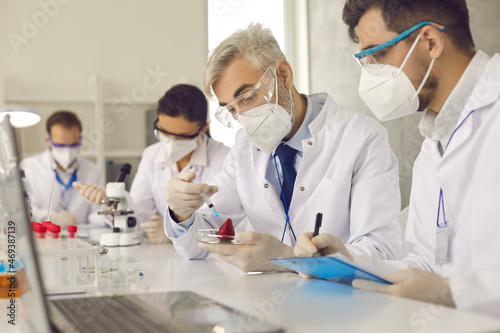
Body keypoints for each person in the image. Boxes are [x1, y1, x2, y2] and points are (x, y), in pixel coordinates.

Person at [294, 0, 500, 317]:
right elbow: (424, 265)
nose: (372, 76)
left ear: (430, 42)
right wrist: (345, 263)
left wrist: (452, 293)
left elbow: (442, 286)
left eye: (379, 55)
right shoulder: (433, 145)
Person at [163, 23, 402, 272]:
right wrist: (181, 214)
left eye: (247, 98)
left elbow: (380, 251)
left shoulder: (362, 138)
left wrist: (288, 258)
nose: (243, 116)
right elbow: (200, 244)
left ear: (284, 75)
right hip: (270, 302)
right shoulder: (244, 149)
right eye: (232, 109)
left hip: (345, 301)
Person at [76, 84, 229, 243]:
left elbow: (222, 223)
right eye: (164, 132)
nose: (171, 142)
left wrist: (174, 232)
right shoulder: (152, 155)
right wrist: (112, 205)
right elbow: (139, 218)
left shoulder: (224, 158)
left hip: (214, 257)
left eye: (182, 137)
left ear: (203, 129)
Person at [21, 110, 104, 226]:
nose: (67, 151)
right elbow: (24, 210)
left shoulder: (93, 171)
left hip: (80, 238)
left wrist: (108, 208)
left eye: (73, 144)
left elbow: (97, 215)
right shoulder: (29, 167)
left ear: (80, 139)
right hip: (43, 236)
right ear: (48, 141)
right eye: (60, 145)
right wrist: (50, 218)